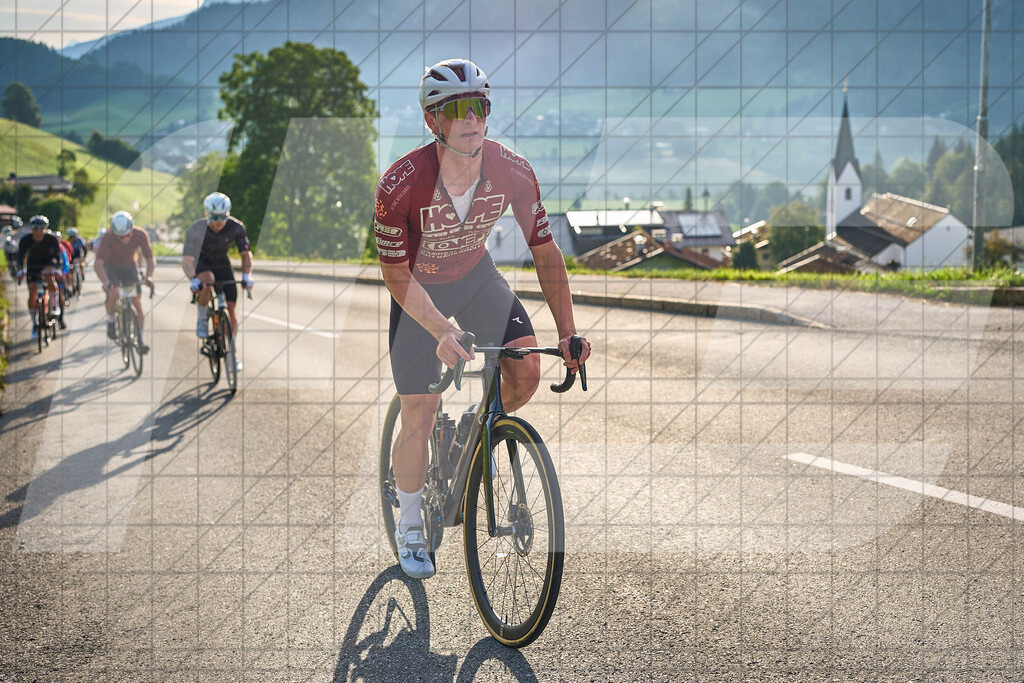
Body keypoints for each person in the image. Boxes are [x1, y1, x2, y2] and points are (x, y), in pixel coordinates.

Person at [374, 58, 591, 579]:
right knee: (420, 413)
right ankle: (409, 524)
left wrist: (567, 332)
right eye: (459, 109)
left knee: (526, 372)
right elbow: (396, 274)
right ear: (433, 121)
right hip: (418, 291)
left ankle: (476, 426)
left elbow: (545, 251)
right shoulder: (401, 184)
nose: (473, 118)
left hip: (475, 276)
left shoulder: (512, 169)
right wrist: (440, 330)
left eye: (481, 106)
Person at [181, 192, 253, 370]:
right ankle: (202, 316)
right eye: (214, 217)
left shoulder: (236, 227)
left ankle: (232, 353)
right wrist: (192, 279)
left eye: (223, 217)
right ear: (207, 214)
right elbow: (187, 260)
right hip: (202, 263)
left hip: (222, 264)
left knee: (230, 310)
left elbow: (246, 254)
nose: (219, 222)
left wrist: (246, 276)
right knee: (208, 281)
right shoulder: (195, 229)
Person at [94, 211, 155, 353]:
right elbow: (98, 264)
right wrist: (105, 281)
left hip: (129, 267)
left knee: (136, 302)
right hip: (111, 267)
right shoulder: (108, 236)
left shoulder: (140, 234)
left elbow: (151, 260)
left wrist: (149, 277)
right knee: (113, 294)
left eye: (127, 235)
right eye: (120, 237)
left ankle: (140, 340)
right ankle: (111, 320)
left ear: (131, 229)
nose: (124, 239)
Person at [15, 215, 62, 339]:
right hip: (33, 265)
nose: (39, 232)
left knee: (48, 277)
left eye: (42, 229)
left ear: (45, 229)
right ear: (31, 229)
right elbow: (20, 257)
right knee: (32, 292)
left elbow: (57, 256)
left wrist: (57, 269)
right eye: (36, 229)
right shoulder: (25, 240)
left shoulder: (51, 239)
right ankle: (34, 323)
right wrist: (20, 271)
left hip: (48, 263)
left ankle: (54, 306)